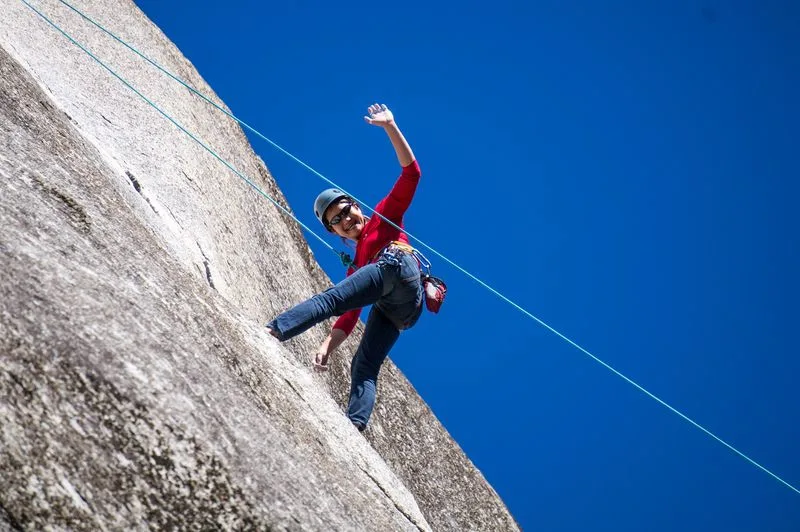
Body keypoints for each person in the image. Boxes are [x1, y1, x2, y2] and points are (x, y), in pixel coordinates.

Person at [266, 102, 424, 432]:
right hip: (400, 310)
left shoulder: (384, 214)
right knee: (363, 364)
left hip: (399, 266)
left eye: (345, 210)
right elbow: (350, 316)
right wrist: (327, 346)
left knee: (331, 297)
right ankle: (355, 428)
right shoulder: (357, 269)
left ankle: (274, 330)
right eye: (336, 221)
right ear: (334, 232)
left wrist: (390, 126)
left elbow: (411, 174)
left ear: (356, 205)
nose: (345, 220)